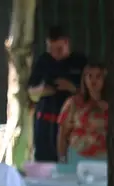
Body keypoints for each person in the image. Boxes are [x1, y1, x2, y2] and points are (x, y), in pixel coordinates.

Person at [27, 26, 87, 162]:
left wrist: (71, 87)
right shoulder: (43, 61)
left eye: (59, 49)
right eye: (51, 49)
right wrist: (43, 90)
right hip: (46, 122)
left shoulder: (80, 61)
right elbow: (30, 91)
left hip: (71, 124)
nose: (54, 54)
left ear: (67, 43)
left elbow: (90, 93)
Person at [57, 61, 108, 162]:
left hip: (103, 157)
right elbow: (62, 133)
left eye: (98, 76)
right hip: (78, 155)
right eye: (90, 76)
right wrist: (62, 157)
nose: (93, 81)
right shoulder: (73, 103)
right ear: (84, 79)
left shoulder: (113, 104)